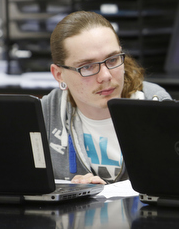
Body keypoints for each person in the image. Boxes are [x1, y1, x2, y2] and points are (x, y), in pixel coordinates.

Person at [41, 11, 171, 184]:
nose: (105, 76)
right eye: (87, 66)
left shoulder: (155, 104)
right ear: (59, 74)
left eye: (112, 60)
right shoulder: (46, 114)